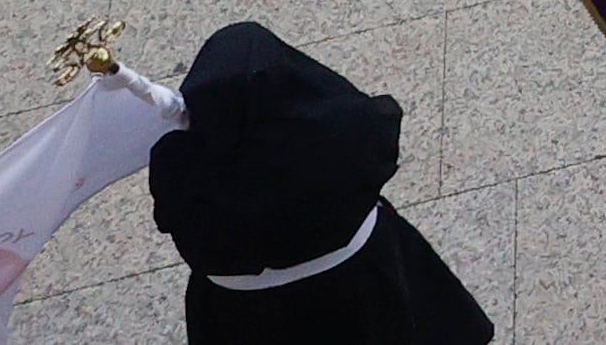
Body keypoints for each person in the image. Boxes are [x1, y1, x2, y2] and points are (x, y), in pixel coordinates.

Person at [144, 23, 495, 342]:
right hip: (359, 289)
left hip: (243, 314)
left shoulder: (177, 166)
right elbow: (381, 145)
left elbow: (172, 222)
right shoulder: (341, 131)